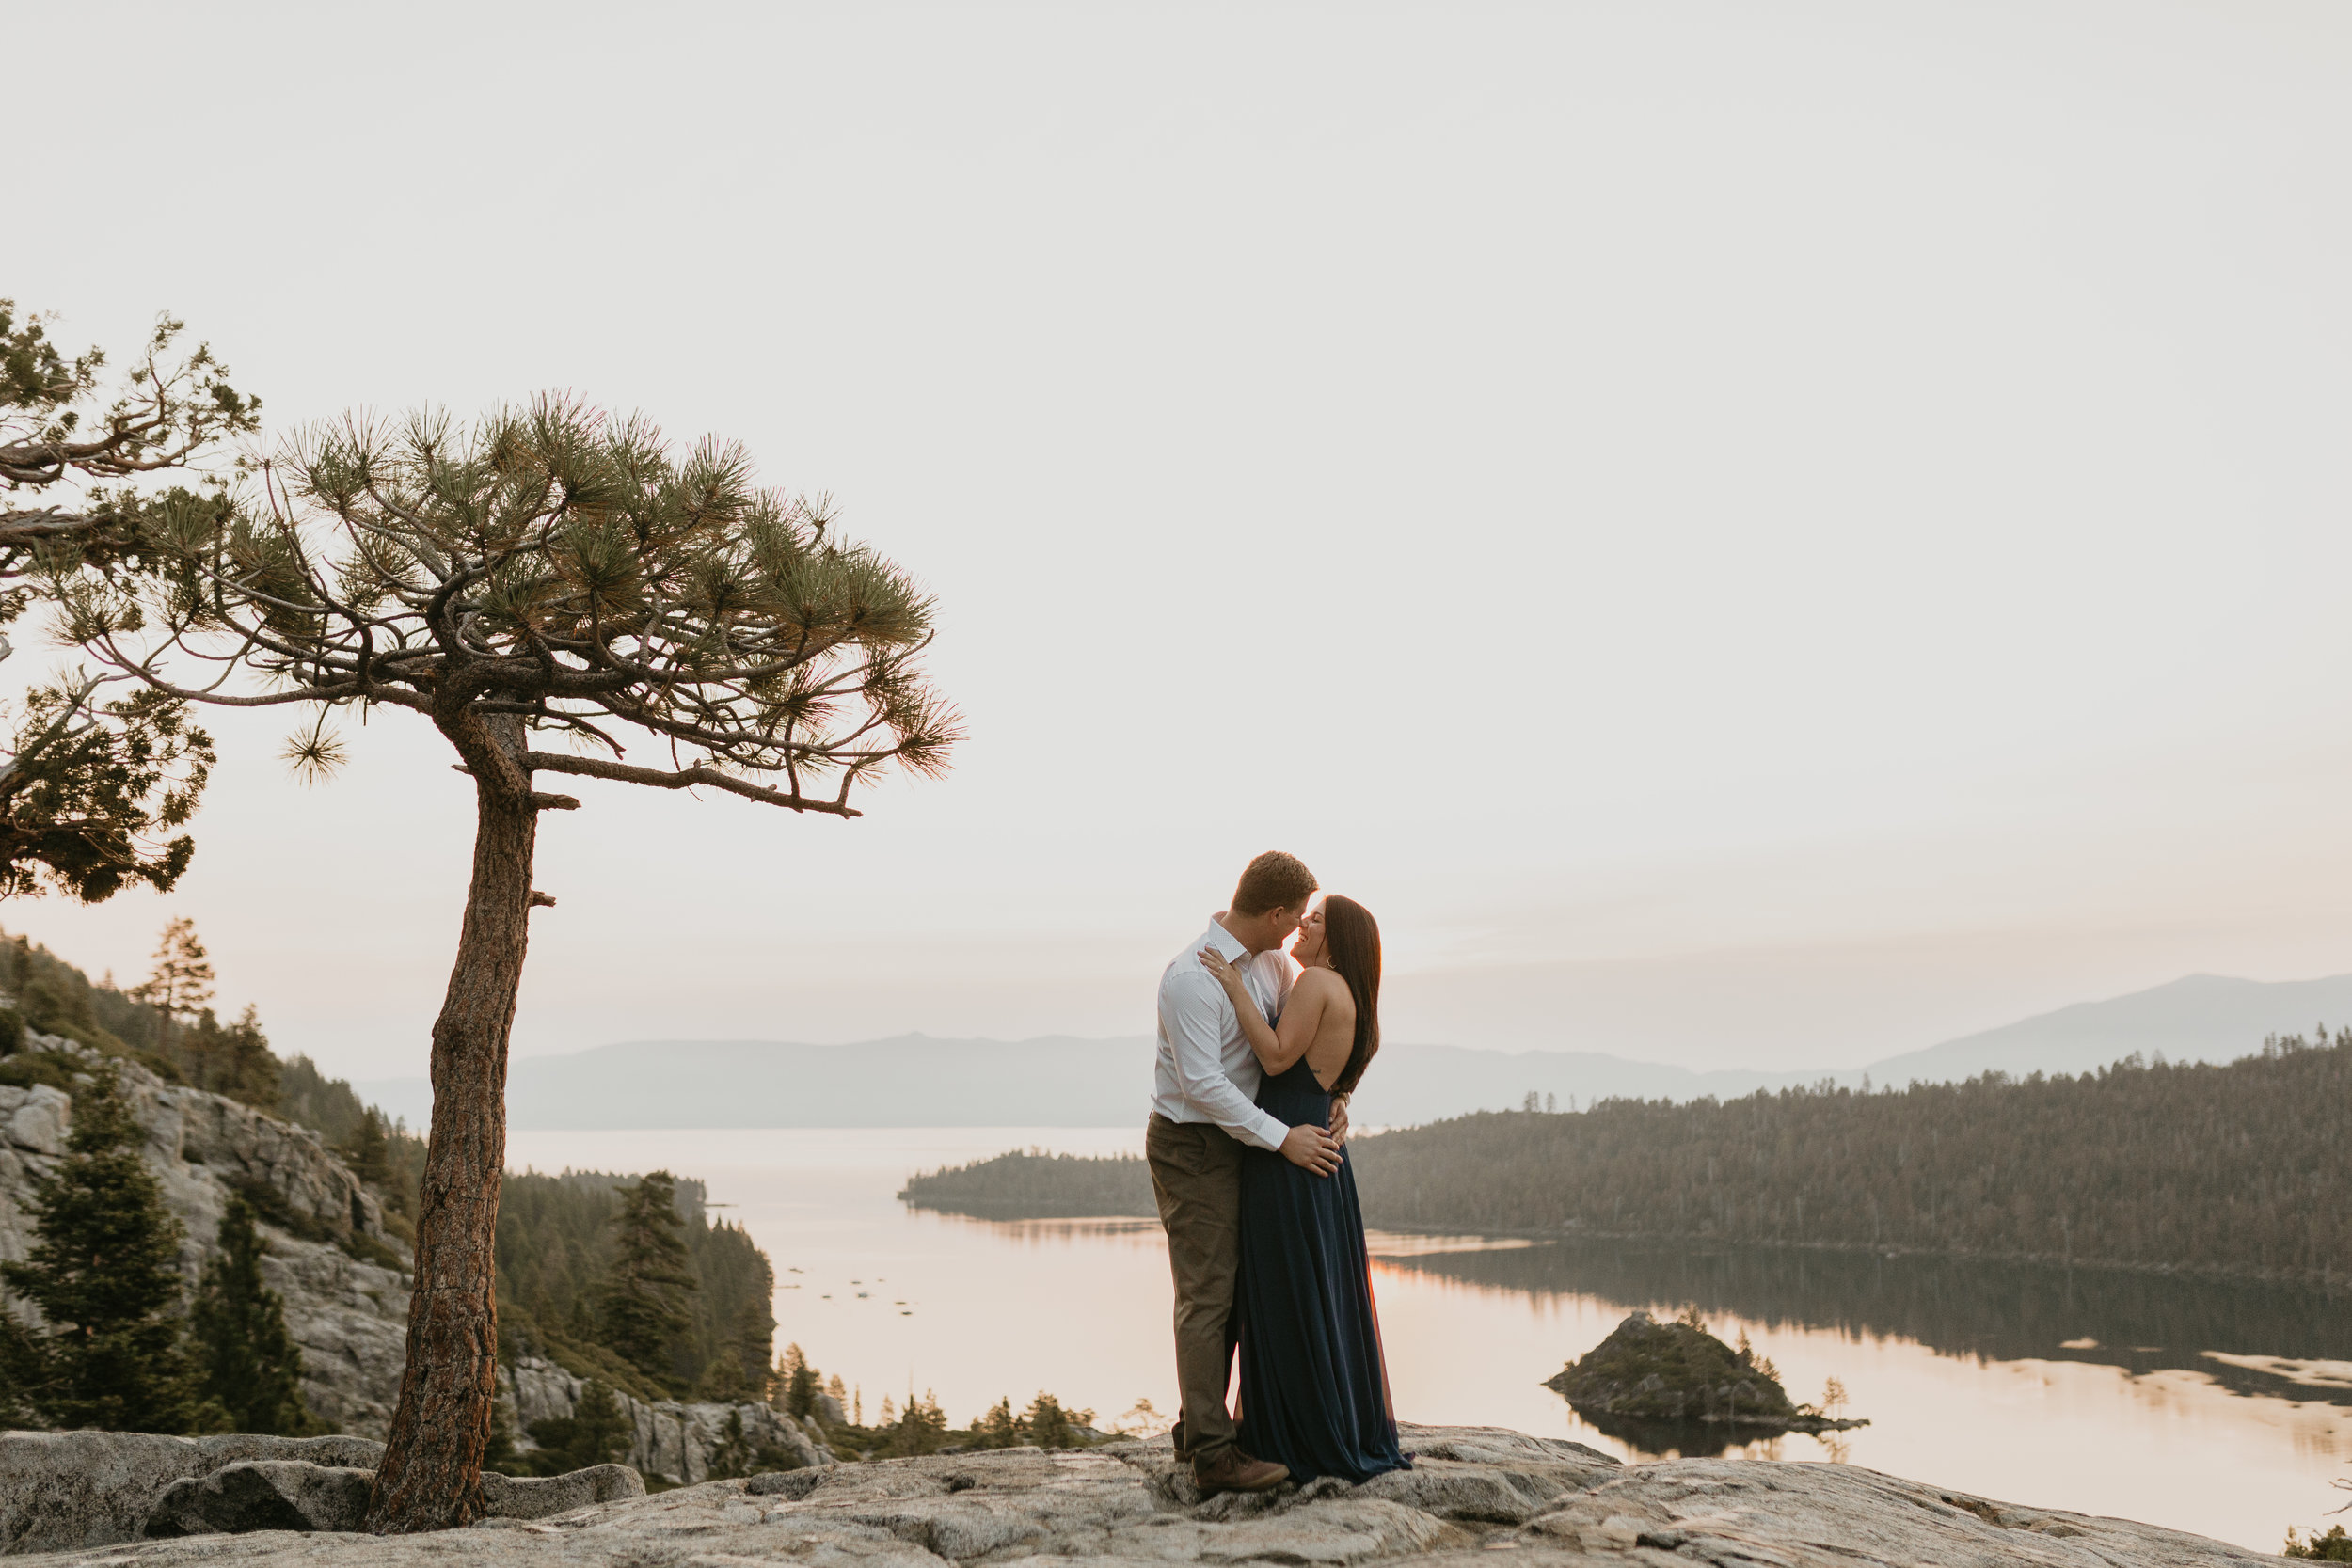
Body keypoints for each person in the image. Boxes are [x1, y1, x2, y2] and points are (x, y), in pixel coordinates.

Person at [1148, 851, 1346, 1496]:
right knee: (1208, 1293)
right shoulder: (1190, 978)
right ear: (1275, 911)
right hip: (1195, 1145)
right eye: (1295, 919)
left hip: (1248, 1140)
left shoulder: (1271, 963)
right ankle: (1211, 1453)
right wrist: (1283, 1137)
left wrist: (1331, 1100)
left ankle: (1198, 1425)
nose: (1298, 932)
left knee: (1241, 1289)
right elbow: (1202, 1085)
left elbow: (1291, 1043)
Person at [1200, 893, 1407, 1485]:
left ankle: (1291, 1436)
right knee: (1312, 1291)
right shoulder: (1347, 993)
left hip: (1289, 1154)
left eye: (1314, 920)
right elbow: (1333, 1072)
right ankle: (1308, 1423)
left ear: (1335, 940)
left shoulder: (1317, 981)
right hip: (1317, 1150)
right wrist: (1337, 1103)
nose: (1302, 923)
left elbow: (1273, 1057)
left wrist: (1231, 983)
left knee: (1287, 1293)